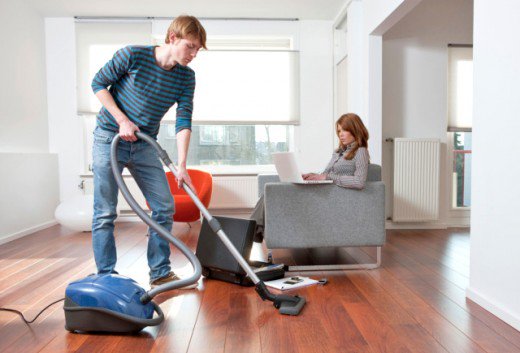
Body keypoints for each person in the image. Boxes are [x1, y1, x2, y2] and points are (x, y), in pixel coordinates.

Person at [90, 15, 206, 289]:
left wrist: (182, 165)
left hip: (144, 145)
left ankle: (160, 273)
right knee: (105, 211)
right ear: (173, 37)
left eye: (197, 49)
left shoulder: (186, 77)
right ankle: (106, 277)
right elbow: (98, 84)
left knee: (164, 207)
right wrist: (122, 120)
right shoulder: (132, 55)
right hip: (109, 137)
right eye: (190, 46)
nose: (193, 54)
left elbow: (183, 120)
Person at [250, 113, 370, 261]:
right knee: (272, 192)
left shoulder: (361, 152)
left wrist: (328, 177)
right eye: (339, 131)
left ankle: (251, 233)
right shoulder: (338, 152)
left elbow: (359, 181)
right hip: (323, 191)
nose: (341, 134)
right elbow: (326, 173)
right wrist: (313, 175)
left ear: (355, 129)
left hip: (332, 199)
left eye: (344, 130)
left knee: (272, 194)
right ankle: (252, 231)